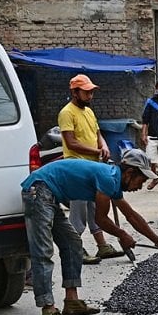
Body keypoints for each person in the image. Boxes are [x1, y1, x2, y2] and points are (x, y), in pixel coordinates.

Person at [21, 149, 158, 315]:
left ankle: (72, 301)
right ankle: (48, 311)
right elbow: (101, 219)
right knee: (43, 252)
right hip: (39, 190)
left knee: (72, 244)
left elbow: (131, 215)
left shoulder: (113, 181)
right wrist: (122, 235)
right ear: (130, 173)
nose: (140, 186)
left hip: (51, 194)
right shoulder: (108, 178)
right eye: (141, 180)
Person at [58, 74, 124, 263]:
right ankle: (75, 249)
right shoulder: (67, 113)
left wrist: (103, 146)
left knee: (96, 208)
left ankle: (102, 246)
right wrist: (95, 150)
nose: (90, 96)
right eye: (86, 92)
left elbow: (97, 133)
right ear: (74, 92)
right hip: (76, 168)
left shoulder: (88, 112)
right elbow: (71, 143)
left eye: (91, 92)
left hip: (93, 167)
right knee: (78, 212)